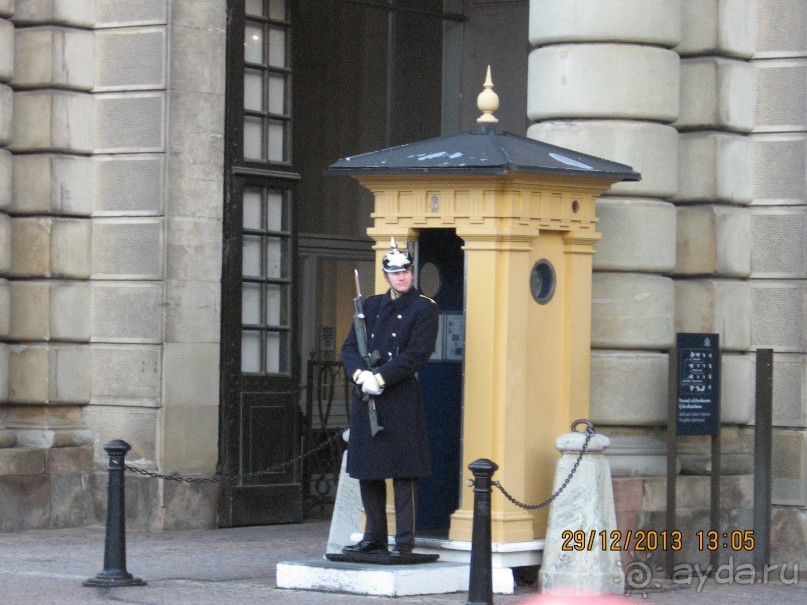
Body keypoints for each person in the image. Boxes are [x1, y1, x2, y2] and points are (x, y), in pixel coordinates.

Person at [340, 238, 439, 557]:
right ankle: (375, 536)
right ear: (386, 276)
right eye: (396, 273)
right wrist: (360, 375)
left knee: (403, 472)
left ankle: (405, 540)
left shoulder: (423, 308)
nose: (402, 277)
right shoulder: (368, 306)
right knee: (368, 470)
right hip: (367, 398)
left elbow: (417, 354)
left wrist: (381, 378)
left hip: (398, 399)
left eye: (406, 271)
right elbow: (349, 349)